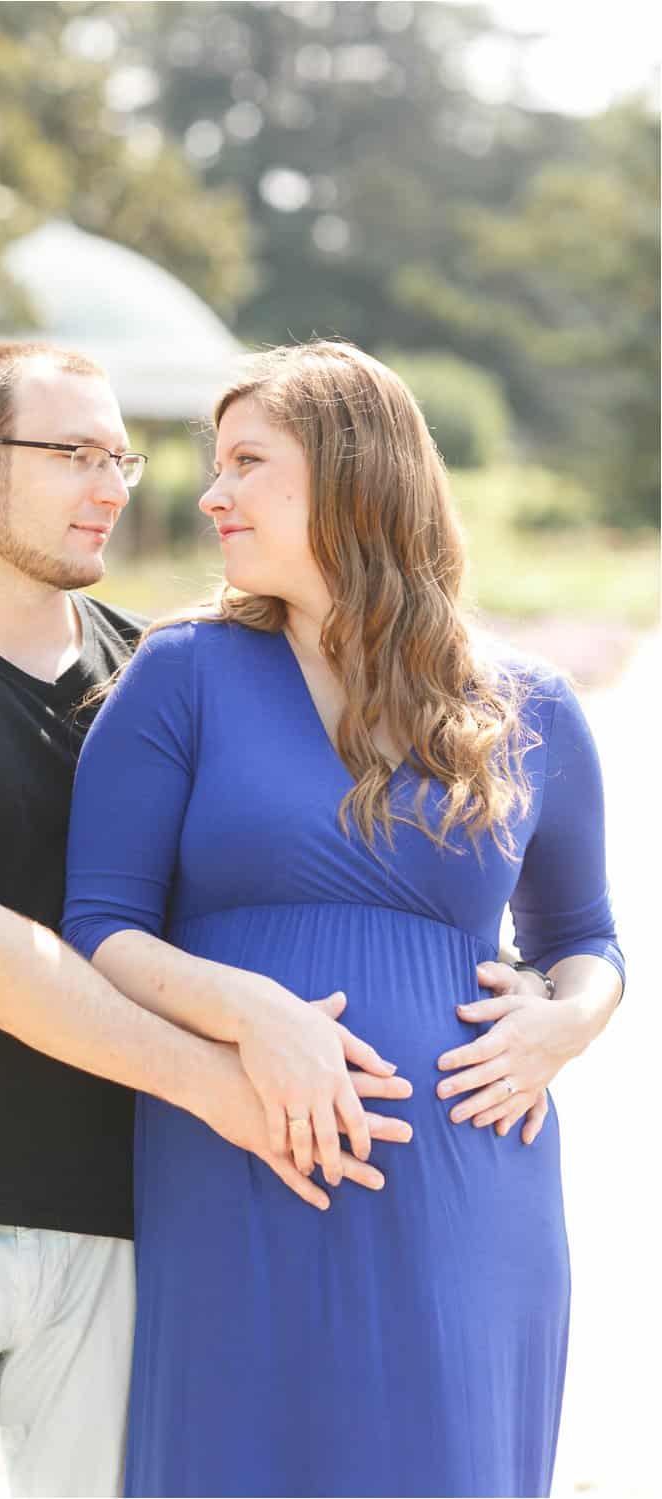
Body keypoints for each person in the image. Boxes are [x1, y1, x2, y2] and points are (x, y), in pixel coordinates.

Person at [0, 339, 424, 1499]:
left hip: (125, 1209)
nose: (115, 485)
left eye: (121, 454)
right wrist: (225, 1087)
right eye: (76, 453)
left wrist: (547, 976)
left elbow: (322, 856)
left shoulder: (175, 674)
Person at [62, 340, 625, 1499]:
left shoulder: (528, 704)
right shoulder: (182, 674)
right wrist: (250, 1009)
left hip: (473, 1186)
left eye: (246, 462)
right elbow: (100, 926)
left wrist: (568, 1023)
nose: (210, 492)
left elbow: (589, 940)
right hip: (241, 1157)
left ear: (352, 471)